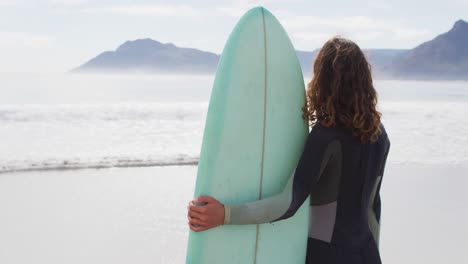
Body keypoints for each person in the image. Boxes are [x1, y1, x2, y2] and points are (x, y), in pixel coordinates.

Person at [187, 36, 390, 264]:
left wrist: (225, 214)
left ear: (324, 81)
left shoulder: (327, 137)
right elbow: (374, 208)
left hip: (328, 256)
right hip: (367, 254)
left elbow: (288, 203)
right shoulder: (380, 135)